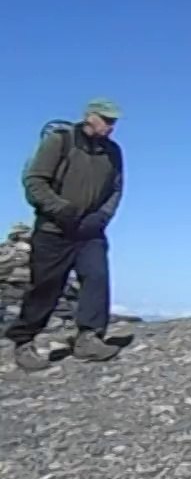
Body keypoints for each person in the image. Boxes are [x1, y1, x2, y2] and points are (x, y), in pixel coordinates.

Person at [6, 99, 125, 371]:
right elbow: (35, 180)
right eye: (105, 119)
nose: (110, 126)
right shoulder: (60, 141)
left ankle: (89, 338)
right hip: (53, 230)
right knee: (46, 287)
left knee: (96, 277)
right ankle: (24, 341)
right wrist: (60, 209)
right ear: (89, 117)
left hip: (90, 232)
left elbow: (116, 189)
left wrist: (102, 217)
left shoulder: (113, 152)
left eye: (113, 121)